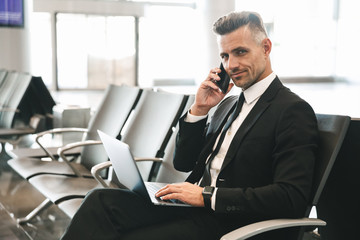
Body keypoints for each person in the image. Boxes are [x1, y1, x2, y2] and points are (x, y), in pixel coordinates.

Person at [61, 11, 318, 240]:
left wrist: (207, 196)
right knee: (100, 201)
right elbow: (184, 163)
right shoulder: (228, 105)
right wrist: (199, 110)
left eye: (240, 52)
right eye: (225, 56)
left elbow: (290, 197)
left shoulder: (291, 110)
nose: (231, 65)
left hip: (230, 220)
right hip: (193, 208)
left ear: (266, 47)